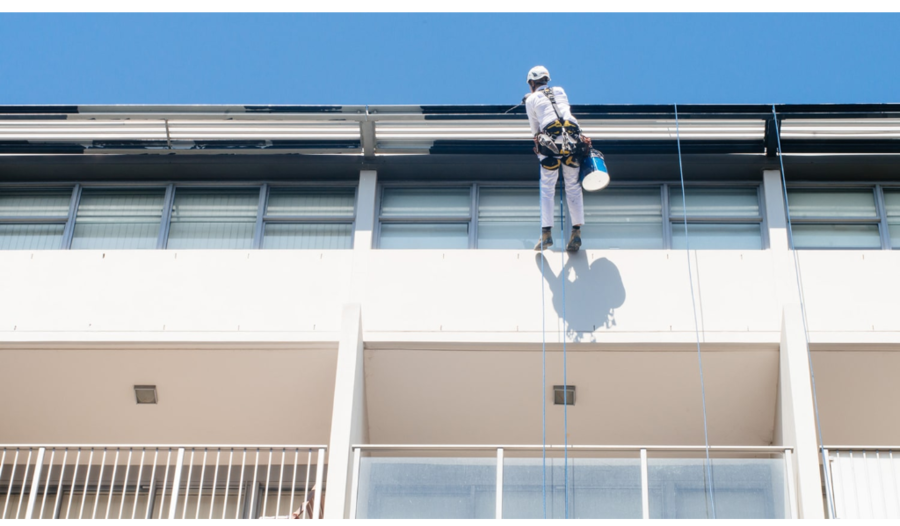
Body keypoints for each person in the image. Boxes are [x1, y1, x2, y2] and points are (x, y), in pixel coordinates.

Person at [525, 66, 591, 252]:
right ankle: (576, 232)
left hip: (551, 144)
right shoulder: (560, 90)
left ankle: (546, 234)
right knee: (573, 186)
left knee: (547, 187)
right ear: (547, 79)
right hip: (572, 139)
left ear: (531, 82)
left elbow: (535, 130)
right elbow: (557, 107)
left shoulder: (531, 99)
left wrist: (529, 101)